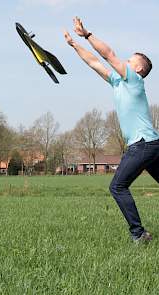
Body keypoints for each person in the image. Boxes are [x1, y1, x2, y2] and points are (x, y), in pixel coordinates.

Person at [63, 17, 159, 243]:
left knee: (117, 186)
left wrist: (86, 35)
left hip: (143, 144)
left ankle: (138, 234)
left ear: (137, 68)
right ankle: (139, 233)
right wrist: (75, 45)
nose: (123, 62)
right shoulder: (118, 82)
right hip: (151, 144)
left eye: (129, 60)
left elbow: (108, 55)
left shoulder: (134, 79)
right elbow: (95, 62)